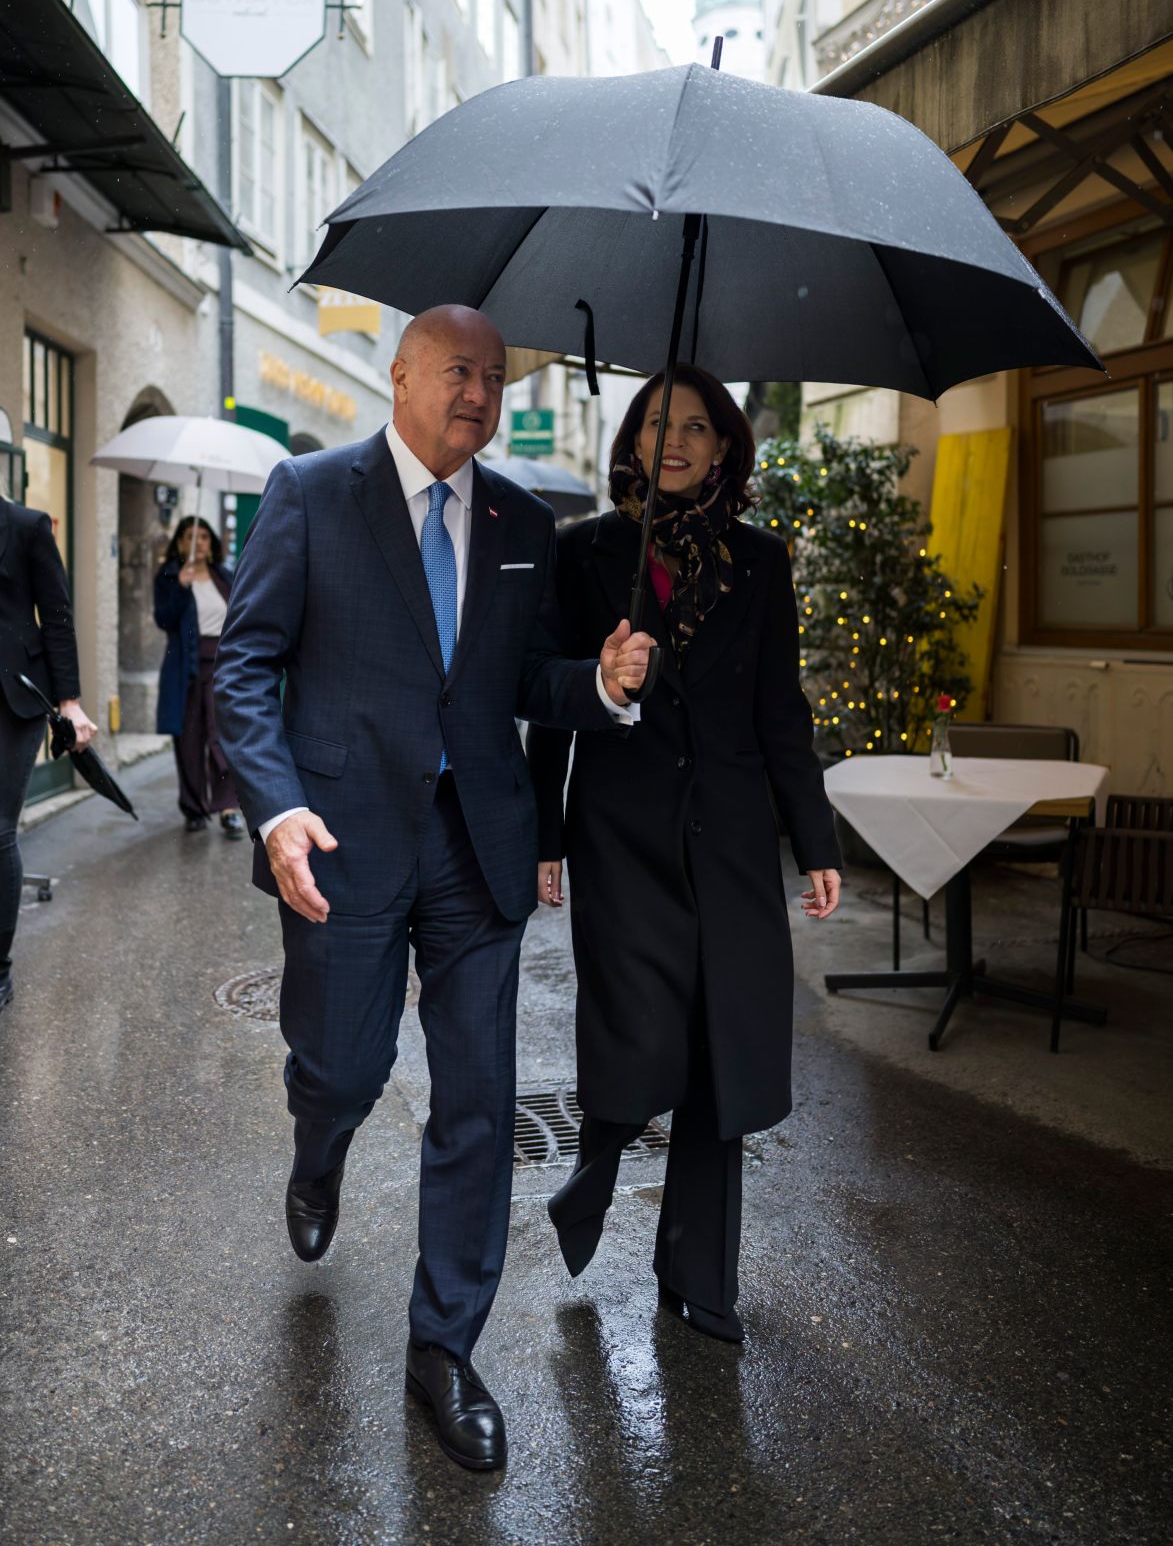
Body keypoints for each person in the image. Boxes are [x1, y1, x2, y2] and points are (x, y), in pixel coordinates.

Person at [214, 305, 652, 1474]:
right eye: (460, 369)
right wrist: (276, 803)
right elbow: (245, 663)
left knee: (478, 1103)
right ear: (399, 372)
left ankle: (443, 1346)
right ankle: (321, 1142)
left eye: (496, 376)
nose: (479, 392)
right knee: (347, 1064)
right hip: (344, 836)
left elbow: (528, 679)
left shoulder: (521, 519)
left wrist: (598, 683)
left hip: (479, 844)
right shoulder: (310, 490)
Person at [526, 364, 842, 1344]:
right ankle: (600, 1158)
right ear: (630, 440)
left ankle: (701, 1272)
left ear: (724, 448)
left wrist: (815, 838)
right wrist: (547, 832)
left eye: (697, 426)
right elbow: (545, 696)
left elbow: (779, 710)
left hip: (737, 842)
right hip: (622, 838)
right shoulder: (585, 554)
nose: (676, 440)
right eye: (658, 422)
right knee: (638, 1034)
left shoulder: (761, 559)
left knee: (722, 1054)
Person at [0, 496, 97, 1011]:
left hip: (12, 701)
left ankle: (0, 968)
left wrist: (70, 702)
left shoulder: (26, 526)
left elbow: (56, 616)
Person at [154, 517, 244, 838]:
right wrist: (180, 584)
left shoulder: (226, 576)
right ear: (180, 542)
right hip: (186, 669)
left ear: (212, 543)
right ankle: (194, 808)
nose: (199, 542)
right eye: (191, 536)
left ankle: (229, 807)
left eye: (204, 536)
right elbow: (163, 619)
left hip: (225, 668)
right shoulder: (168, 577)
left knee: (223, 738)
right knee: (189, 740)